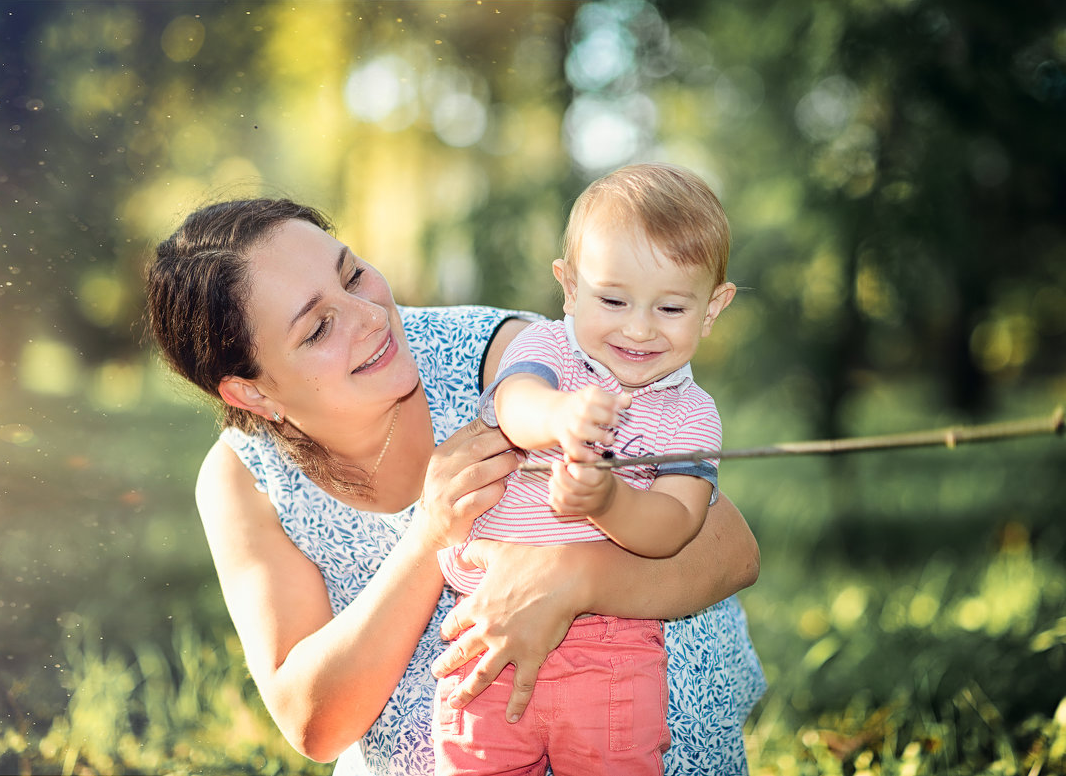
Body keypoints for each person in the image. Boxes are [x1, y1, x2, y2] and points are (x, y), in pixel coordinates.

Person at [143, 196, 766, 776]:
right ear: (251, 391)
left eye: (353, 273)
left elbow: (731, 550)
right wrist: (428, 539)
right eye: (317, 328)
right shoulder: (242, 481)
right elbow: (316, 723)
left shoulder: (508, 361)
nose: (370, 315)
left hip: (634, 731)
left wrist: (577, 579)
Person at [434, 163, 738, 775]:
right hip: (488, 632)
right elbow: (513, 405)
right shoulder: (546, 348)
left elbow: (675, 523)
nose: (638, 327)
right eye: (612, 299)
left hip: (614, 647)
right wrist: (561, 415)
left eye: (671, 308)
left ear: (712, 308)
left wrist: (606, 501)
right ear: (569, 288)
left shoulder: (691, 416)